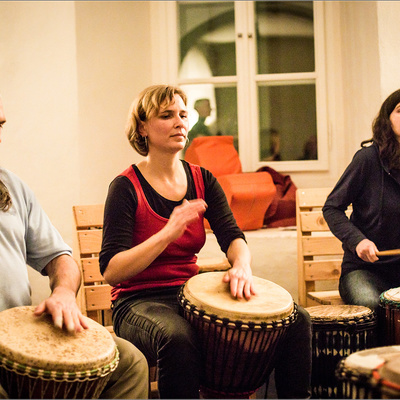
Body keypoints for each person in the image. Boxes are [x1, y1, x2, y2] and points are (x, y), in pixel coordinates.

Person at [99, 84, 312, 399]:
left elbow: (232, 236)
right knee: (178, 337)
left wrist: (241, 265)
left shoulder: (203, 179)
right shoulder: (125, 187)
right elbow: (112, 271)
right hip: (138, 302)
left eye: (183, 115)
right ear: (143, 127)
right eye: (166, 115)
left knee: (296, 318)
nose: (179, 122)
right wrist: (168, 232)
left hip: (189, 294)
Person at [0, 95, 149, 399]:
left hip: (21, 332)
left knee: (130, 363)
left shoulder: (11, 186)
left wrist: (64, 293)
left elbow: (60, 258)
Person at [323, 88, 400, 316]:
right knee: (372, 306)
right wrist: (358, 241)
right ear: (387, 120)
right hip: (365, 270)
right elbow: (332, 208)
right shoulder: (367, 160)